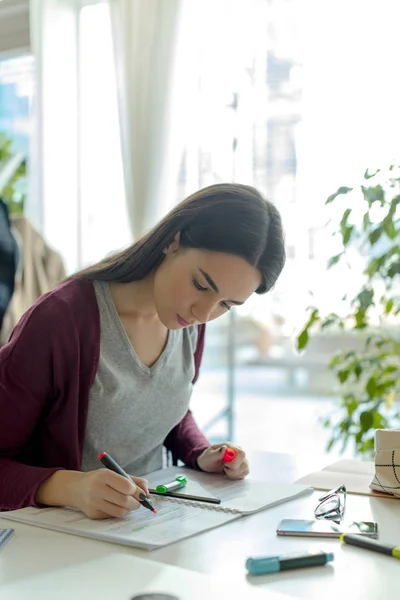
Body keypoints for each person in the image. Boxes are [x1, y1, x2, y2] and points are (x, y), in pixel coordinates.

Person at [0, 183, 285, 519]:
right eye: (201, 285)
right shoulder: (61, 321)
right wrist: (70, 488)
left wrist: (200, 451)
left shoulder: (189, 321)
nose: (203, 313)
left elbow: (159, 407)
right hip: (65, 545)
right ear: (174, 240)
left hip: (149, 528)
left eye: (226, 304)